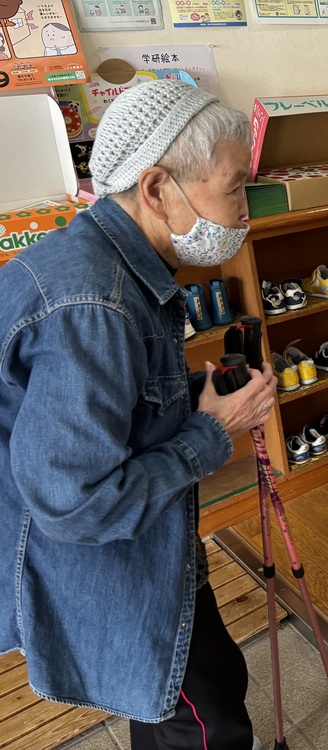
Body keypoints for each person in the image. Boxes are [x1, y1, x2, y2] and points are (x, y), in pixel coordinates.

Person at [0, 79, 276, 750]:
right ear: (156, 188)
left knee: (182, 694)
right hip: (99, 557)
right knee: (205, 716)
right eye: (234, 187)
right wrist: (211, 433)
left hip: (132, 544)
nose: (244, 211)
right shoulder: (95, 305)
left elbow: (106, 404)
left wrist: (188, 392)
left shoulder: (98, 262)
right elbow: (78, 503)